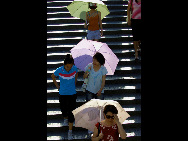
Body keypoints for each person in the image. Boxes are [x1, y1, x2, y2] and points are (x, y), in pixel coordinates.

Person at [51, 54, 78, 140]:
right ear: (64, 65)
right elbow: (53, 76)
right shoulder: (59, 70)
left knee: (71, 112)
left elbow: (76, 74)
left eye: (70, 66)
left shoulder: (74, 68)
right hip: (62, 94)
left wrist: (75, 82)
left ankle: (70, 131)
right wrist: (57, 86)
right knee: (63, 109)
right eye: (67, 66)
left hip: (72, 94)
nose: (68, 68)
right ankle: (65, 117)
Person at [83, 52, 108, 138]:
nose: (94, 61)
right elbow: (84, 76)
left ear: (100, 61)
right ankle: (90, 127)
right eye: (93, 59)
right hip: (89, 90)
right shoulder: (89, 66)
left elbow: (104, 81)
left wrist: (101, 90)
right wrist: (87, 73)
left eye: (96, 60)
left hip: (99, 91)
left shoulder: (103, 69)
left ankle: (99, 127)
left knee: (100, 110)